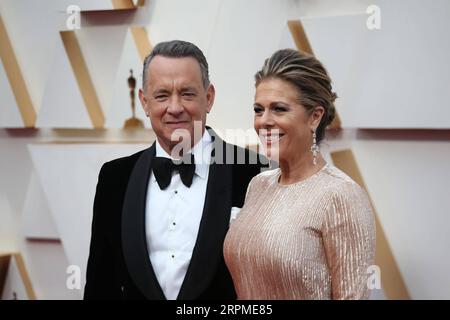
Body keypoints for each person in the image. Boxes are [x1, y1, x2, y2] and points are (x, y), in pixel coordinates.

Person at [84, 40, 265, 300]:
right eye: (162, 95)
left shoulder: (254, 173)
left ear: (209, 98)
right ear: (144, 102)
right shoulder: (114, 178)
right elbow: (100, 286)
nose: (175, 107)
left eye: (187, 93)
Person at [223, 49, 376, 300]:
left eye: (279, 109)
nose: (264, 121)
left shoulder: (342, 197)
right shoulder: (258, 185)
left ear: (315, 117)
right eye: (258, 110)